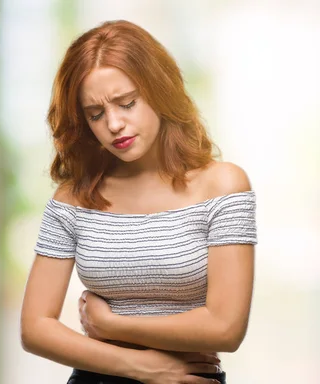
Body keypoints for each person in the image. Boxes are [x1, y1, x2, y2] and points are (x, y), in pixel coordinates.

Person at [20, 20, 257, 384]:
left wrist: (112, 324)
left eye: (127, 103)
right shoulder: (73, 199)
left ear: (160, 91)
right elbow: (35, 329)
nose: (113, 124)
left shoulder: (223, 185)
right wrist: (144, 367)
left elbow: (226, 328)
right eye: (95, 114)